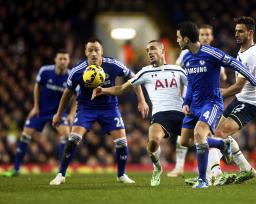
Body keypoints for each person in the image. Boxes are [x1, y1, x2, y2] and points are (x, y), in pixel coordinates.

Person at [49, 38, 149, 185]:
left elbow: (133, 78)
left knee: (122, 141)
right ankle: (61, 174)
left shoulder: (112, 64)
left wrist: (141, 100)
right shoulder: (77, 70)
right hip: (86, 108)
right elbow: (67, 93)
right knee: (74, 138)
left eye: (97, 50)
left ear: (102, 51)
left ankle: (121, 175)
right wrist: (58, 113)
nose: (94, 53)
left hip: (109, 108)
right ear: (85, 52)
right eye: (90, 50)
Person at [176, 21, 256, 188]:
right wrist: (186, 102)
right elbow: (191, 83)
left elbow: (233, 63)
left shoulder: (210, 53)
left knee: (200, 133)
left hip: (212, 103)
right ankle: (223, 144)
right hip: (195, 105)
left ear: (186, 39)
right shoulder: (186, 58)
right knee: (185, 141)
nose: (177, 41)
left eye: (178, 38)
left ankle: (203, 180)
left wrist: (252, 79)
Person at [92, 40, 187, 186]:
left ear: (163, 51)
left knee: (201, 140)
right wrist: (103, 90)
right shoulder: (145, 72)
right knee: (153, 142)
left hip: (180, 113)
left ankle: (223, 147)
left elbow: (193, 89)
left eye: (153, 49)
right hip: (160, 115)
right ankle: (157, 167)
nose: (149, 52)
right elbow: (121, 88)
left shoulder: (178, 70)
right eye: (148, 50)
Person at [2, 50, 76, 177]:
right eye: (61, 58)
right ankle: (16, 169)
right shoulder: (45, 71)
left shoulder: (71, 76)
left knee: (67, 136)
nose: (63, 61)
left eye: (65, 59)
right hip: (41, 111)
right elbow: (37, 87)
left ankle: (63, 169)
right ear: (55, 59)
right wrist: (35, 107)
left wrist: (71, 114)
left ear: (68, 61)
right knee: (25, 135)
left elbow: (76, 96)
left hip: (59, 113)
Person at [168, 24, 228, 179]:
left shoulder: (213, 55)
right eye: (203, 34)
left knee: (201, 133)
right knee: (185, 139)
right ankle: (182, 167)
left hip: (209, 101)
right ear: (197, 36)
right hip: (189, 100)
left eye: (208, 34)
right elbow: (177, 73)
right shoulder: (185, 55)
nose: (205, 37)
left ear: (212, 37)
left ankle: (212, 172)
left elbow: (223, 76)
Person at [213, 16, 256, 185]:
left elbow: (239, 86)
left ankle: (215, 174)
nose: (236, 34)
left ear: (250, 32)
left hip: (250, 102)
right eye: (235, 31)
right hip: (241, 99)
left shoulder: (252, 56)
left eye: (240, 31)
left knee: (220, 134)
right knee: (217, 132)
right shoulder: (242, 51)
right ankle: (247, 170)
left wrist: (219, 94)